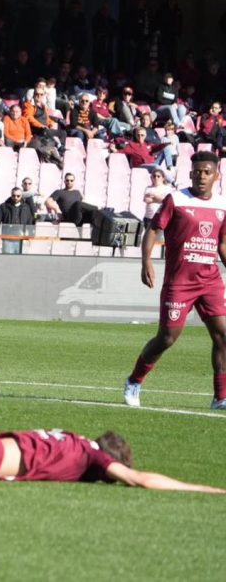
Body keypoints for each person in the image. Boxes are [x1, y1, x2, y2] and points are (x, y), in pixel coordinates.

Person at [0, 320, 223, 493]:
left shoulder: (75, 441)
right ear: (112, 462)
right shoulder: (92, 458)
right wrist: (209, 490)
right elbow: (141, 480)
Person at [124, 151, 226, 410]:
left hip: (210, 279)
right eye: (197, 171)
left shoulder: (222, 205)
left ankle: (221, 397)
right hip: (179, 281)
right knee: (167, 338)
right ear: (190, 173)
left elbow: (222, 244)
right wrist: (146, 260)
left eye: (207, 172)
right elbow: (154, 229)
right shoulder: (176, 199)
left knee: (223, 336)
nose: (201, 176)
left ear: (217, 175)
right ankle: (134, 381)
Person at [0, 187, 34, 254]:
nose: (16, 197)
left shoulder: (26, 207)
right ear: (11, 195)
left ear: (21, 196)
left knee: (19, 261)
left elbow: (30, 223)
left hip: (21, 239)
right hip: (7, 238)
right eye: (13, 195)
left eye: (18, 196)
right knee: (7, 259)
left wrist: (30, 237)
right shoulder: (4, 206)